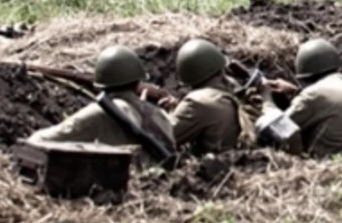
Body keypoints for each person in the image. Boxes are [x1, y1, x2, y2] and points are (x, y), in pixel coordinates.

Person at [28, 45, 174, 151]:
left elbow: (39, 141)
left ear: (100, 85)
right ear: (138, 82)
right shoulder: (160, 115)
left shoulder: (104, 112)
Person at [259, 38, 342, 156]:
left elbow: (277, 127)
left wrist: (266, 97)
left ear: (305, 76)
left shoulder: (311, 95)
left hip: (337, 162)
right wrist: (296, 91)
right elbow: (323, 101)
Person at [158, 38, 245, 155]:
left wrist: (166, 112)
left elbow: (161, 138)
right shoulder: (233, 86)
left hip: (218, 168)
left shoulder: (195, 103)